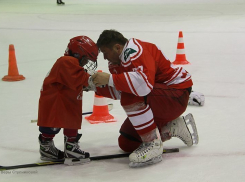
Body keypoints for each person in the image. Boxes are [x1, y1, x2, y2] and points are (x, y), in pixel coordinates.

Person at [91, 29, 199, 168]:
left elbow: (143, 87)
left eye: (105, 52)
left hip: (177, 94)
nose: (105, 58)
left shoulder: (135, 52)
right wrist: (94, 86)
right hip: (161, 97)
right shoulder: (116, 62)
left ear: (117, 47)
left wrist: (110, 79)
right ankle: (171, 127)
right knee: (127, 142)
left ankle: (152, 143)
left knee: (132, 95)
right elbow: (120, 91)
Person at [37, 36, 98, 165]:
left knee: (72, 118)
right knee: (52, 123)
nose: (87, 62)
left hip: (66, 98)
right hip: (54, 101)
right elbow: (81, 78)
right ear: (77, 53)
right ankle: (46, 147)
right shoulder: (66, 61)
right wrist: (97, 81)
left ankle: (71, 147)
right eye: (86, 58)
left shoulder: (72, 63)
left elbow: (76, 80)